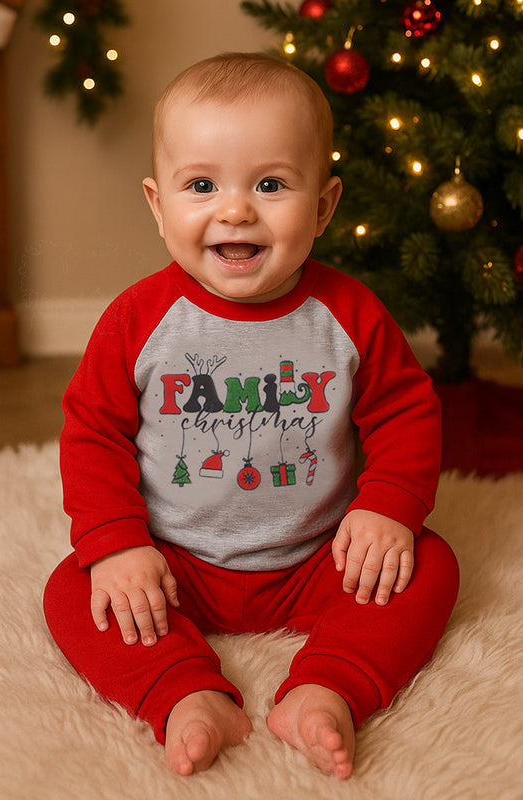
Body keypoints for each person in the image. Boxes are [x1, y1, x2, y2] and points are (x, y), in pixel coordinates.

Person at [43, 52, 459, 780]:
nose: (235, 210)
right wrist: (117, 545)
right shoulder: (138, 320)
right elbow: (92, 433)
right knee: (75, 588)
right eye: (201, 185)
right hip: (177, 563)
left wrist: (388, 508)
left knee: (427, 565)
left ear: (323, 206)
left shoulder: (349, 314)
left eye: (270, 184)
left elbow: (403, 413)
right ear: (157, 203)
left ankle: (326, 686)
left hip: (316, 559)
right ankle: (185, 693)